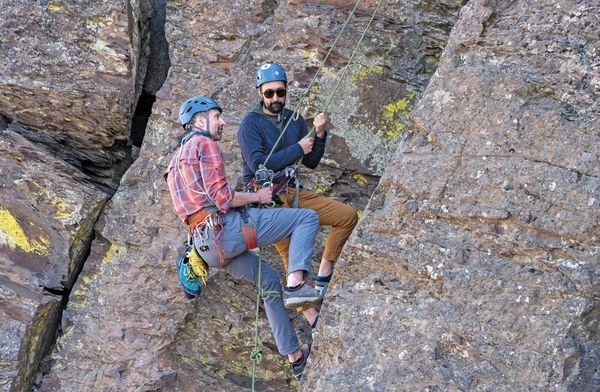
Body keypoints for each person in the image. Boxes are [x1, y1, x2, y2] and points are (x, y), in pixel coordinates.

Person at [164, 96, 323, 379]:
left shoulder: (175, 160)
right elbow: (222, 198)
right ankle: (298, 286)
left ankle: (295, 359)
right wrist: (258, 196)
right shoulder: (205, 144)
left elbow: (195, 206)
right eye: (216, 116)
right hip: (226, 231)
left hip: (205, 246)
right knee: (306, 218)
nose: (222, 121)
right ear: (200, 121)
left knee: (270, 281)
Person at [237, 62, 359, 329]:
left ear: (286, 90)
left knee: (347, 216)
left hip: (291, 191)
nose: (276, 99)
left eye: (280, 93)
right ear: (260, 92)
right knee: (291, 258)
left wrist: (320, 133)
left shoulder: (293, 121)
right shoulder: (251, 124)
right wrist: (298, 148)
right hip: (266, 198)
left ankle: (324, 277)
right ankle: (314, 321)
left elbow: (312, 160)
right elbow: (260, 165)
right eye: (269, 94)